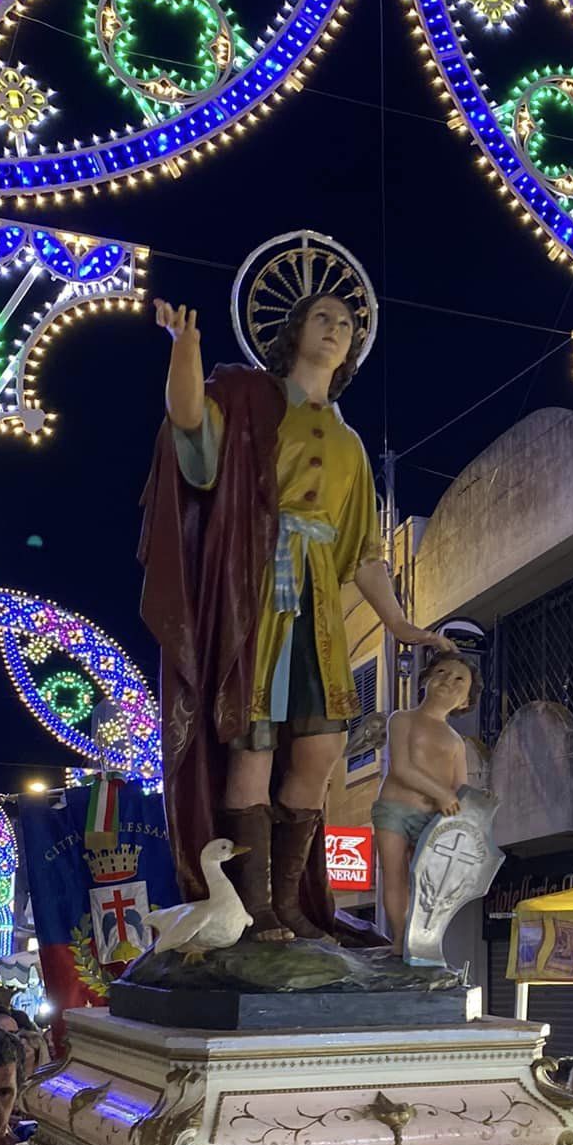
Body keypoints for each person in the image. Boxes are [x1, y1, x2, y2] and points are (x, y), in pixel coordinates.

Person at [140, 290, 448, 940]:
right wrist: (185, 352)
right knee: (253, 746)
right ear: (295, 332)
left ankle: (288, 904)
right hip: (256, 597)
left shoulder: (351, 445)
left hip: (318, 610)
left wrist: (398, 624)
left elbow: (363, 552)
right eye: (323, 319)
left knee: (322, 750)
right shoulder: (252, 403)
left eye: (347, 324)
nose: (336, 329)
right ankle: (252, 911)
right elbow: (193, 432)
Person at [373, 651, 481, 945]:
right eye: (442, 672)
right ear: (425, 680)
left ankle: (420, 938)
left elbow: (461, 788)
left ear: (465, 701)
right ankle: (399, 938)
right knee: (394, 873)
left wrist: (472, 809)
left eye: (460, 680)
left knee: (428, 881)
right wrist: (441, 793)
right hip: (394, 809)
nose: (448, 681)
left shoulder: (456, 741)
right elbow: (401, 768)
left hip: (434, 818)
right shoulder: (402, 720)